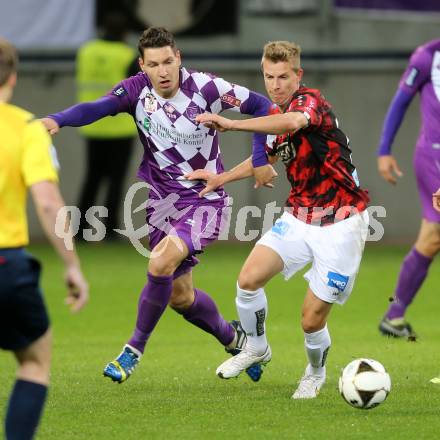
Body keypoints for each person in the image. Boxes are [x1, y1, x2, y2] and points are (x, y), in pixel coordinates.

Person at [41, 27, 277, 383]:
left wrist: (259, 157)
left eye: (169, 61)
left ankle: (133, 350)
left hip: (205, 199)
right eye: (154, 64)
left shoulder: (207, 88)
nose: (163, 71)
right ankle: (237, 340)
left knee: (161, 260)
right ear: (142, 65)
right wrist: (57, 119)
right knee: (180, 297)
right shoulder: (136, 90)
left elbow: (264, 107)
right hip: (161, 204)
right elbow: (98, 107)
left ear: (178, 57)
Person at [187, 40, 370, 399]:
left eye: (283, 77)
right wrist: (220, 179)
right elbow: (266, 157)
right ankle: (256, 348)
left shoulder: (310, 104)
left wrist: (233, 124)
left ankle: (315, 373)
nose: (275, 84)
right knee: (248, 279)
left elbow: (291, 121)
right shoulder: (275, 113)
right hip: (301, 216)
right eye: (268, 76)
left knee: (310, 320)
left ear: (297, 75)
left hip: (343, 221)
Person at [0, 38, 89, 440]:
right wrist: (72, 265)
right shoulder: (25, 128)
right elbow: (49, 204)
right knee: (34, 361)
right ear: (13, 78)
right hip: (6, 264)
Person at [376, 39, 440, 340]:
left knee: (430, 239)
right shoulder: (427, 57)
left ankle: (395, 315)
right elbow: (400, 101)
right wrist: (384, 149)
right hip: (435, 158)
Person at [76, 13, 138, 238]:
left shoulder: (86, 51)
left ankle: (80, 229)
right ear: (125, 33)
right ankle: (109, 229)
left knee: (92, 178)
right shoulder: (127, 55)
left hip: (92, 125)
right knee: (115, 180)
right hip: (120, 128)